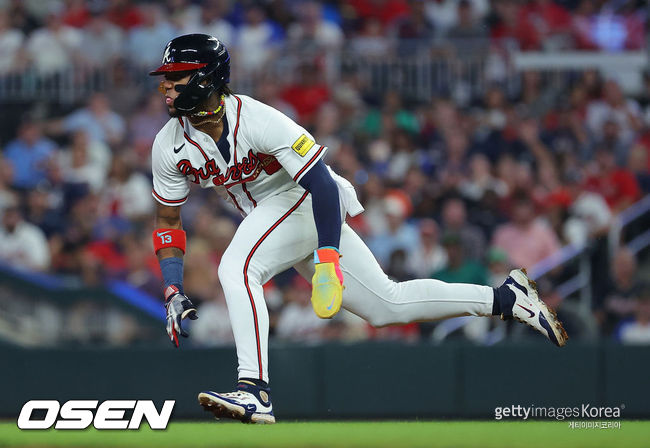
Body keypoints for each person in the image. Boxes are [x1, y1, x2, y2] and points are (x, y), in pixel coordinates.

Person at [149, 34, 567, 425]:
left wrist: (327, 256)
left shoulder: (257, 118)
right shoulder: (168, 144)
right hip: (271, 220)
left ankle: (254, 388)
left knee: (237, 268)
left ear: (205, 79)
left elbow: (322, 183)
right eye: (166, 79)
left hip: (307, 202)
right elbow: (168, 221)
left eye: (175, 78)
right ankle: (505, 298)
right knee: (387, 306)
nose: (166, 87)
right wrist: (172, 286)